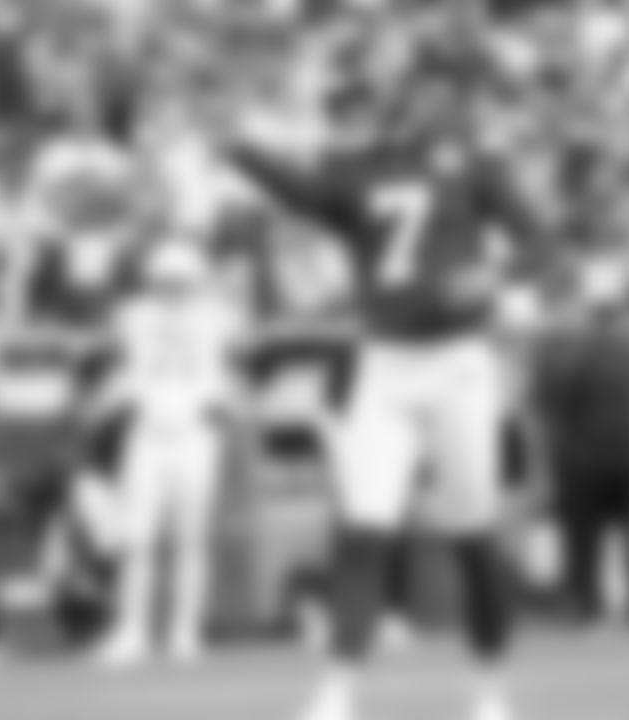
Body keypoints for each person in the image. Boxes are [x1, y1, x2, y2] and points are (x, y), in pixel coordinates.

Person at [227, 81, 548, 720]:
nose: (416, 107)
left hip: (459, 364)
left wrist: (494, 278)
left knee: (474, 536)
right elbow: (302, 192)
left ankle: (488, 688)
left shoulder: (477, 164)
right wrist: (237, 148)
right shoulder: (357, 170)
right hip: (386, 365)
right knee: (364, 530)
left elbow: (538, 241)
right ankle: (338, 691)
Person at [92, 239, 246, 667]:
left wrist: (225, 397)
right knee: (136, 539)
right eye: (165, 281)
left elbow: (232, 356)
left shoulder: (216, 315)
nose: (173, 290)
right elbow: (123, 360)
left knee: (190, 539)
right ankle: (132, 630)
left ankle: (185, 631)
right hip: (148, 433)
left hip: (195, 434)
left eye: (180, 281)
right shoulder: (135, 316)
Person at [530, 264, 629, 627]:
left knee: (586, 535)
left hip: (586, 455)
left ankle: (588, 601)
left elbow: (553, 401)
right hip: (623, 451)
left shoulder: (572, 349)